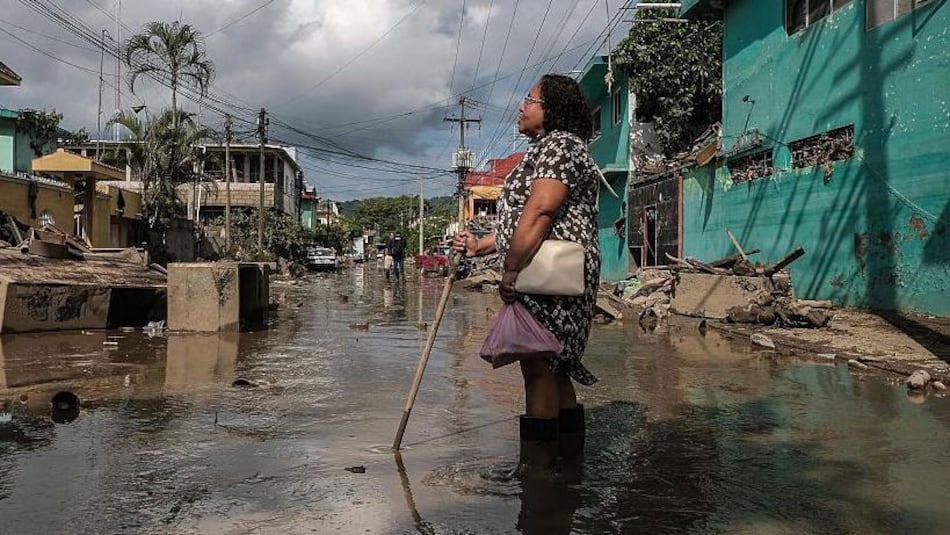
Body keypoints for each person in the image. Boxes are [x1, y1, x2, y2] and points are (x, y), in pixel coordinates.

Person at [453, 74, 601, 474]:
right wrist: (481, 245)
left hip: (552, 270)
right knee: (556, 363)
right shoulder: (551, 148)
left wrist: (511, 270)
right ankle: (567, 466)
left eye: (529, 100)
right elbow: (522, 221)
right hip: (554, 266)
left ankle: (537, 469)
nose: (522, 107)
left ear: (550, 109)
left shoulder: (558, 146)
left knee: (537, 363)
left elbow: (540, 212)